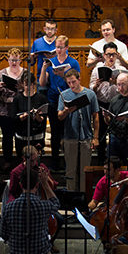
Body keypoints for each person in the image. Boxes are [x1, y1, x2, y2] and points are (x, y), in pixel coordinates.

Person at [1, 167, 60, 254]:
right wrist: (46, 183)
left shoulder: (9, 207)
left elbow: (4, 234)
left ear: (21, 184)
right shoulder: (42, 205)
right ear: (37, 184)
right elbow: (56, 203)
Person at [39, 35, 80, 170]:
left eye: (61, 47)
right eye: (57, 47)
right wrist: (45, 68)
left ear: (67, 48)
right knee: (55, 132)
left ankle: (69, 161)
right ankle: (55, 161)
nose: (58, 50)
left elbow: (76, 83)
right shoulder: (52, 62)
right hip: (53, 99)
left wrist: (64, 76)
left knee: (67, 131)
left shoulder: (73, 63)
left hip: (68, 98)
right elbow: (42, 83)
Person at [58, 69, 99, 192]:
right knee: (70, 169)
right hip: (70, 136)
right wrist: (66, 111)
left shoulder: (90, 94)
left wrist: (96, 137)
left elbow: (96, 117)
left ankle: (83, 196)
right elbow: (59, 116)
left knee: (84, 169)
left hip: (86, 136)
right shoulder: (64, 95)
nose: (71, 85)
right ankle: (71, 195)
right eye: (69, 83)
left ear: (79, 79)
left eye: (73, 82)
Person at [89, 42, 127, 164]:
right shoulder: (97, 69)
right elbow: (91, 90)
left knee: (116, 133)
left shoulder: (121, 71)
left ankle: (116, 161)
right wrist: (96, 85)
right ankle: (101, 161)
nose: (111, 57)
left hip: (116, 105)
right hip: (101, 103)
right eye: (108, 54)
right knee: (101, 132)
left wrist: (116, 83)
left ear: (117, 55)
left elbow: (125, 91)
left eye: (113, 55)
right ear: (104, 55)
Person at [0, 48, 24, 170]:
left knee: (20, 137)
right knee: (7, 137)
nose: (14, 63)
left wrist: (22, 87)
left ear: (20, 60)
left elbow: (31, 90)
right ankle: (7, 160)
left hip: (19, 110)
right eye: (11, 60)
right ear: (8, 59)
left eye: (16, 60)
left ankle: (21, 161)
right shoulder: (2, 73)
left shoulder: (24, 73)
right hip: (4, 110)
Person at [11, 71, 48, 160]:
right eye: (26, 84)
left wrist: (37, 117)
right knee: (21, 162)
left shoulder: (41, 98)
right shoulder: (17, 98)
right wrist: (22, 116)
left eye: (31, 84)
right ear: (22, 84)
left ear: (34, 84)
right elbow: (13, 118)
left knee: (36, 163)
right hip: (22, 136)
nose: (28, 87)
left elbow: (43, 120)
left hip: (36, 136)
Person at [30, 19, 57, 92]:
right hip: (41, 77)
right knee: (42, 101)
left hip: (56, 77)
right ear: (44, 29)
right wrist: (32, 56)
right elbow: (31, 63)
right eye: (48, 28)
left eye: (52, 29)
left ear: (56, 30)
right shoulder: (37, 42)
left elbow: (65, 58)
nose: (50, 31)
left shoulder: (60, 42)